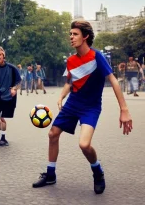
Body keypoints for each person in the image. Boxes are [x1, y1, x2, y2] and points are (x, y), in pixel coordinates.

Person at [32, 21, 133, 194]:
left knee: (84, 145)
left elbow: (113, 80)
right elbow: (69, 83)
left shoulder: (97, 56)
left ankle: (98, 172)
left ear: (85, 36)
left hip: (90, 107)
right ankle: (50, 174)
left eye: (75, 34)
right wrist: (61, 96)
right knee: (52, 134)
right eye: (70, 34)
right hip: (73, 103)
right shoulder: (71, 60)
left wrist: (124, 110)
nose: (71, 37)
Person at [0, 46, 21, 147]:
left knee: (2, 118)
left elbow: (19, 82)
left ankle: (2, 139)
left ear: (4, 55)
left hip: (9, 97)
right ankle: (1, 134)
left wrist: (14, 88)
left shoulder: (12, 68)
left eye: (0, 55)